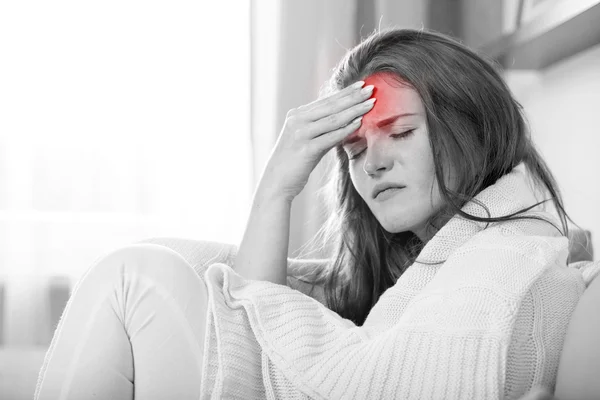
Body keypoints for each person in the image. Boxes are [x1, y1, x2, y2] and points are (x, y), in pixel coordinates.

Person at [34, 28, 598, 399]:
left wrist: (276, 189)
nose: (372, 163)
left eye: (399, 132)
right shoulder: (441, 254)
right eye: (352, 151)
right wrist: (277, 186)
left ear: (472, 125)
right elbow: (257, 317)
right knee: (139, 271)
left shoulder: (503, 254)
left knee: (135, 278)